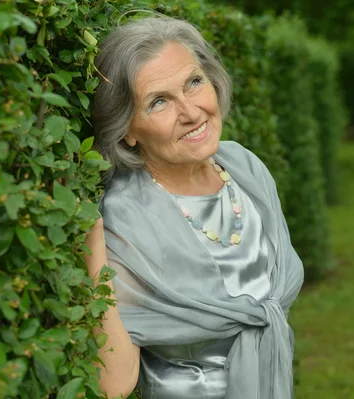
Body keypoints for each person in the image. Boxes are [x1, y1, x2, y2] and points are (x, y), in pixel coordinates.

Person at [84, 15, 304, 399]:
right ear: (128, 130)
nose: (191, 111)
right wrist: (93, 248)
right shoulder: (127, 216)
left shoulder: (246, 169)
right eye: (159, 102)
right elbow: (114, 385)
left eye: (194, 82)